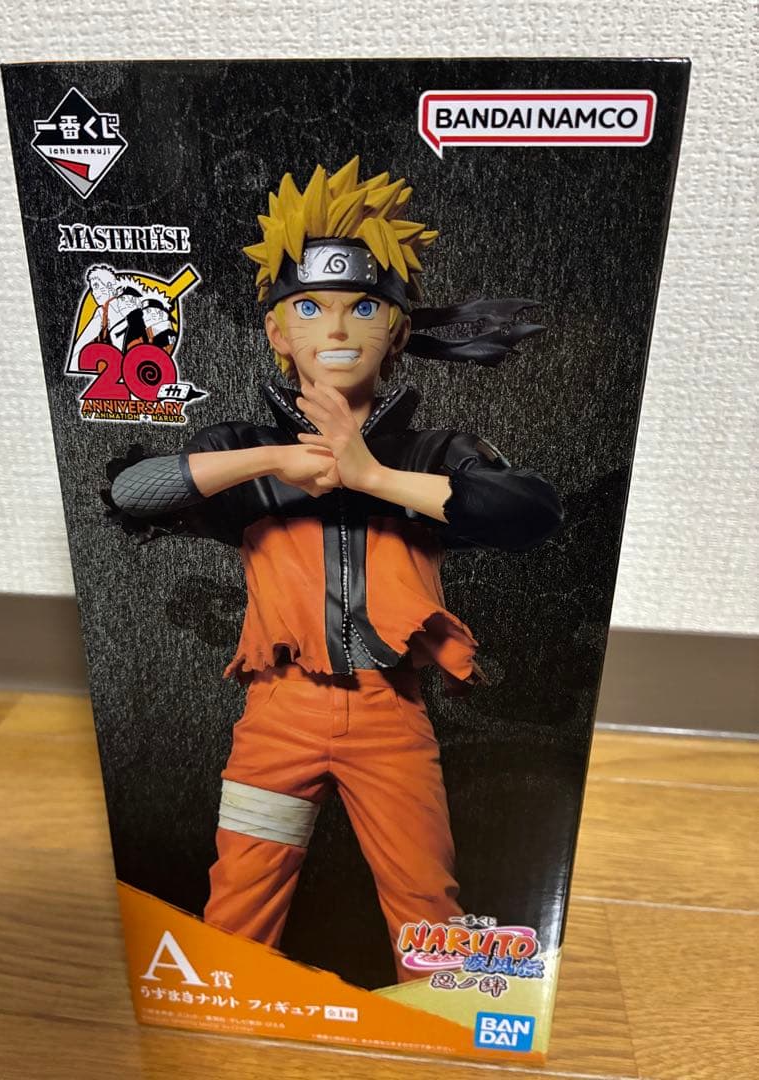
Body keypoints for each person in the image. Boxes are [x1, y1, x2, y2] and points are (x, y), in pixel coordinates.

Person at [106, 157, 563, 982]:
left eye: (364, 306)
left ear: (398, 328)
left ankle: (440, 1034)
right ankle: (219, 1029)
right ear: (278, 332)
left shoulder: (430, 453)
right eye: (310, 307)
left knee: (428, 914)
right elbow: (132, 493)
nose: (339, 328)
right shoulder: (244, 451)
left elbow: (531, 512)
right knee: (240, 906)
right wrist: (278, 459)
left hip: (391, 716)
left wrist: (372, 476)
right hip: (278, 715)